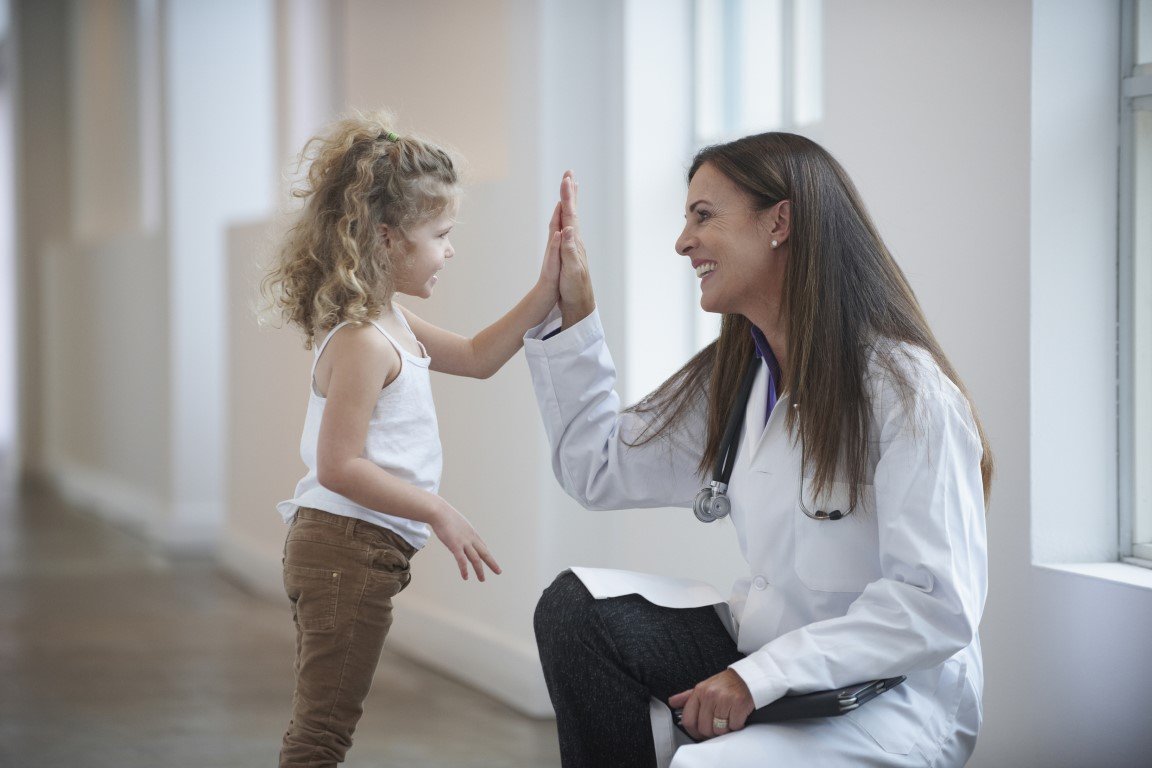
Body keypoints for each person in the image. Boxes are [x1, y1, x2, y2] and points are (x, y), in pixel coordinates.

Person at [525, 133, 991, 767]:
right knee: (577, 612)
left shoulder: (906, 392)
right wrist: (575, 311)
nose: (683, 242)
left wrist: (758, 677)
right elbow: (599, 469)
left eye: (703, 215)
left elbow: (935, 606)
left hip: (887, 693)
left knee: (703, 765)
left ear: (780, 221)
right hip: (769, 647)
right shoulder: (741, 375)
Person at [262, 110, 562, 768]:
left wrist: (547, 289)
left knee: (324, 724)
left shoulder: (393, 320)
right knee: (321, 735)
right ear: (389, 239)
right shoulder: (365, 341)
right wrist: (437, 509)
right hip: (342, 552)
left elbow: (481, 356)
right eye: (441, 234)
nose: (450, 249)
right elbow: (337, 466)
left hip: (355, 553)